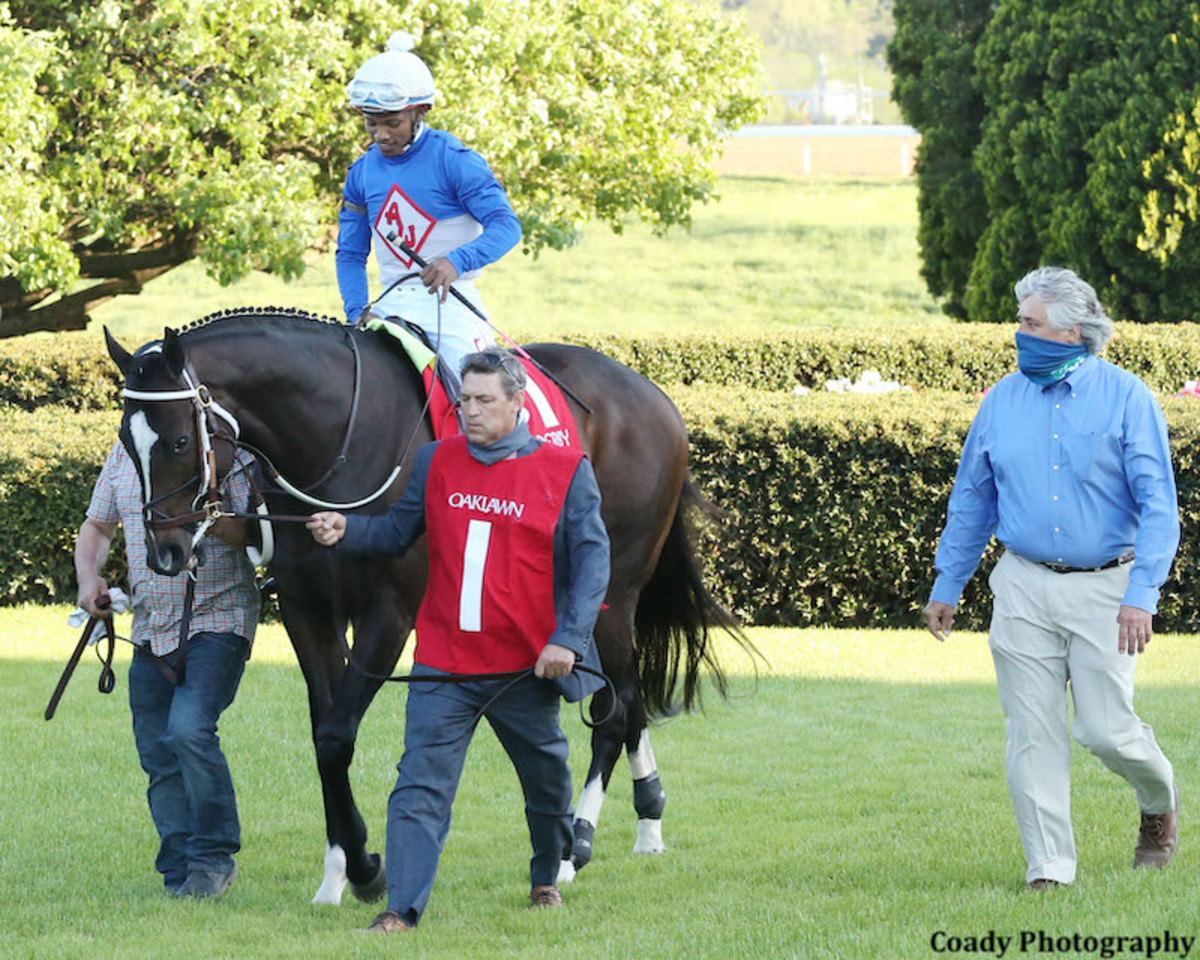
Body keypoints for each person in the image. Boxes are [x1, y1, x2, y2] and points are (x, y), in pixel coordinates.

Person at [308, 346, 609, 932]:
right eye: (464, 399)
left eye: (483, 400)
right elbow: (398, 531)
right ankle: (402, 909)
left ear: (517, 403)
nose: (469, 411)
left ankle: (546, 875)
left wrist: (567, 640)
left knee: (547, 784)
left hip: (525, 667)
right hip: (444, 664)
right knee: (418, 783)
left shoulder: (566, 471)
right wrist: (346, 529)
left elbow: (595, 564)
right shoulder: (436, 460)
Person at [923, 266, 1181, 890]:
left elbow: (1159, 507)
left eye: (1030, 323)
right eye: (1020, 322)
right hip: (1022, 586)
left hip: (1107, 591)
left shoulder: (1128, 398)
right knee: (1032, 733)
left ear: (1070, 333)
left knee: (1105, 731)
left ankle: (1158, 801)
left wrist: (1142, 596)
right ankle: (1050, 869)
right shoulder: (1000, 401)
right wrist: (946, 584)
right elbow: (973, 500)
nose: (1019, 334)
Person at [74, 441, 260, 898]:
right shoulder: (123, 453)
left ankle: (214, 857)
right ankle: (180, 867)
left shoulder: (227, 452)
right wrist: (87, 578)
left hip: (219, 615)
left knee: (189, 729)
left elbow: (258, 536)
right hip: (150, 626)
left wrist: (206, 517)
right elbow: (98, 526)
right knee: (157, 752)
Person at [336, 30, 523, 396]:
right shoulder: (360, 172)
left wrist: (456, 261)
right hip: (386, 309)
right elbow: (350, 254)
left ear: (420, 112)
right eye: (371, 123)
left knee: (485, 400)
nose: (381, 135)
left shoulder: (455, 161)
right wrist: (358, 310)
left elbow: (507, 226)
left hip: (451, 307)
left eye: (392, 123)